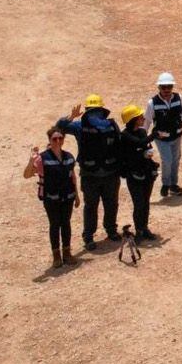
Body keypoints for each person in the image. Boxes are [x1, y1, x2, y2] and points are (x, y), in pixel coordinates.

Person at [56, 95, 122, 249]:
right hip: (101, 173)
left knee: (100, 205)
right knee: (102, 204)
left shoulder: (86, 126)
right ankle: (99, 233)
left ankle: (100, 233)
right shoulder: (105, 125)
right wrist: (71, 117)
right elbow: (59, 128)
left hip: (98, 173)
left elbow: (59, 127)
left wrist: (71, 118)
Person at [23, 128, 79, 269]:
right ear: (49, 140)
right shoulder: (42, 158)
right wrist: (31, 161)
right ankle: (56, 257)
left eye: (60, 138)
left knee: (66, 223)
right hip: (51, 198)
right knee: (55, 225)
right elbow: (27, 175)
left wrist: (77, 196)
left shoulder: (69, 157)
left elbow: (72, 177)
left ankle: (67, 253)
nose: (58, 141)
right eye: (55, 139)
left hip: (68, 196)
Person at [147, 72, 182, 199]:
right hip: (162, 138)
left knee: (175, 160)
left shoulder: (179, 98)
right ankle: (165, 184)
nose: (167, 90)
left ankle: (173, 185)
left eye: (169, 87)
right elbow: (147, 121)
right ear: (159, 88)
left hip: (177, 136)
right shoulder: (152, 103)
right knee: (167, 160)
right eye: (163, 87)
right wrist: (142, 139)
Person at [117, 104, 160, 242]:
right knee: (139, 203)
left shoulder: (141, 132)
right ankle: (139, 230)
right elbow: (139, 144)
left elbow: (145, 146)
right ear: (134, 119)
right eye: (140, 117)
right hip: (133, 175)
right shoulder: (125, 135)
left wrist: (148, 155)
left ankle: (145, 228)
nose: (143, 118)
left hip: (146, 172)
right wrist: (153, 135)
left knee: (146, 203)